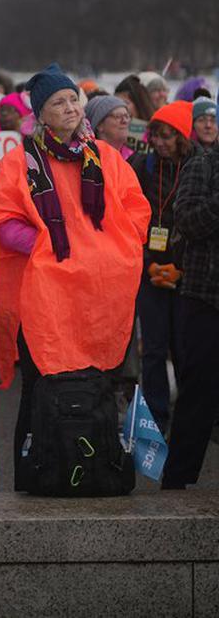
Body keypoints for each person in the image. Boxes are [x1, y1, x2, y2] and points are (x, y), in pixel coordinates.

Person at [0, 63, 150, 488]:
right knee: (39, 391)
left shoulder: (106, 158)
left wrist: (116, 248)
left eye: (74, 98)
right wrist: (42, 247)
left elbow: (135, 209)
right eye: (59, 102)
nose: (71, 107)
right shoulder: (20, 163)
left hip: (98, 297)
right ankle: (33, 473)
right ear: (40, 114)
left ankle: (94, 470)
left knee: (96, 388)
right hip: (43, 299)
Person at [130, 101, 195, 434]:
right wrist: (148, 265)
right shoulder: (141, 165)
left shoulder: (198, 166)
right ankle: (156, 420)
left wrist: (180, 269)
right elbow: (129, 220)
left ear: (182, 136)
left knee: (185, 349)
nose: (160, 142)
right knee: (153, 349)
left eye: (168, 136)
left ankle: (190, 420)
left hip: (187, 275)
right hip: (149, 269)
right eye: (156, 135)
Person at [162, 116, 219, 488]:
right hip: (207, 298)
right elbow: (187, 220)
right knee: (199, 392)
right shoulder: (204, 163)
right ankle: (177, 480)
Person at [86, 95, 133, 160]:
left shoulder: (135, 158)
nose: (124, 121)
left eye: (126, 116)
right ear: (99, 125)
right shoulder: (92, 162)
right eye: (118, 116)